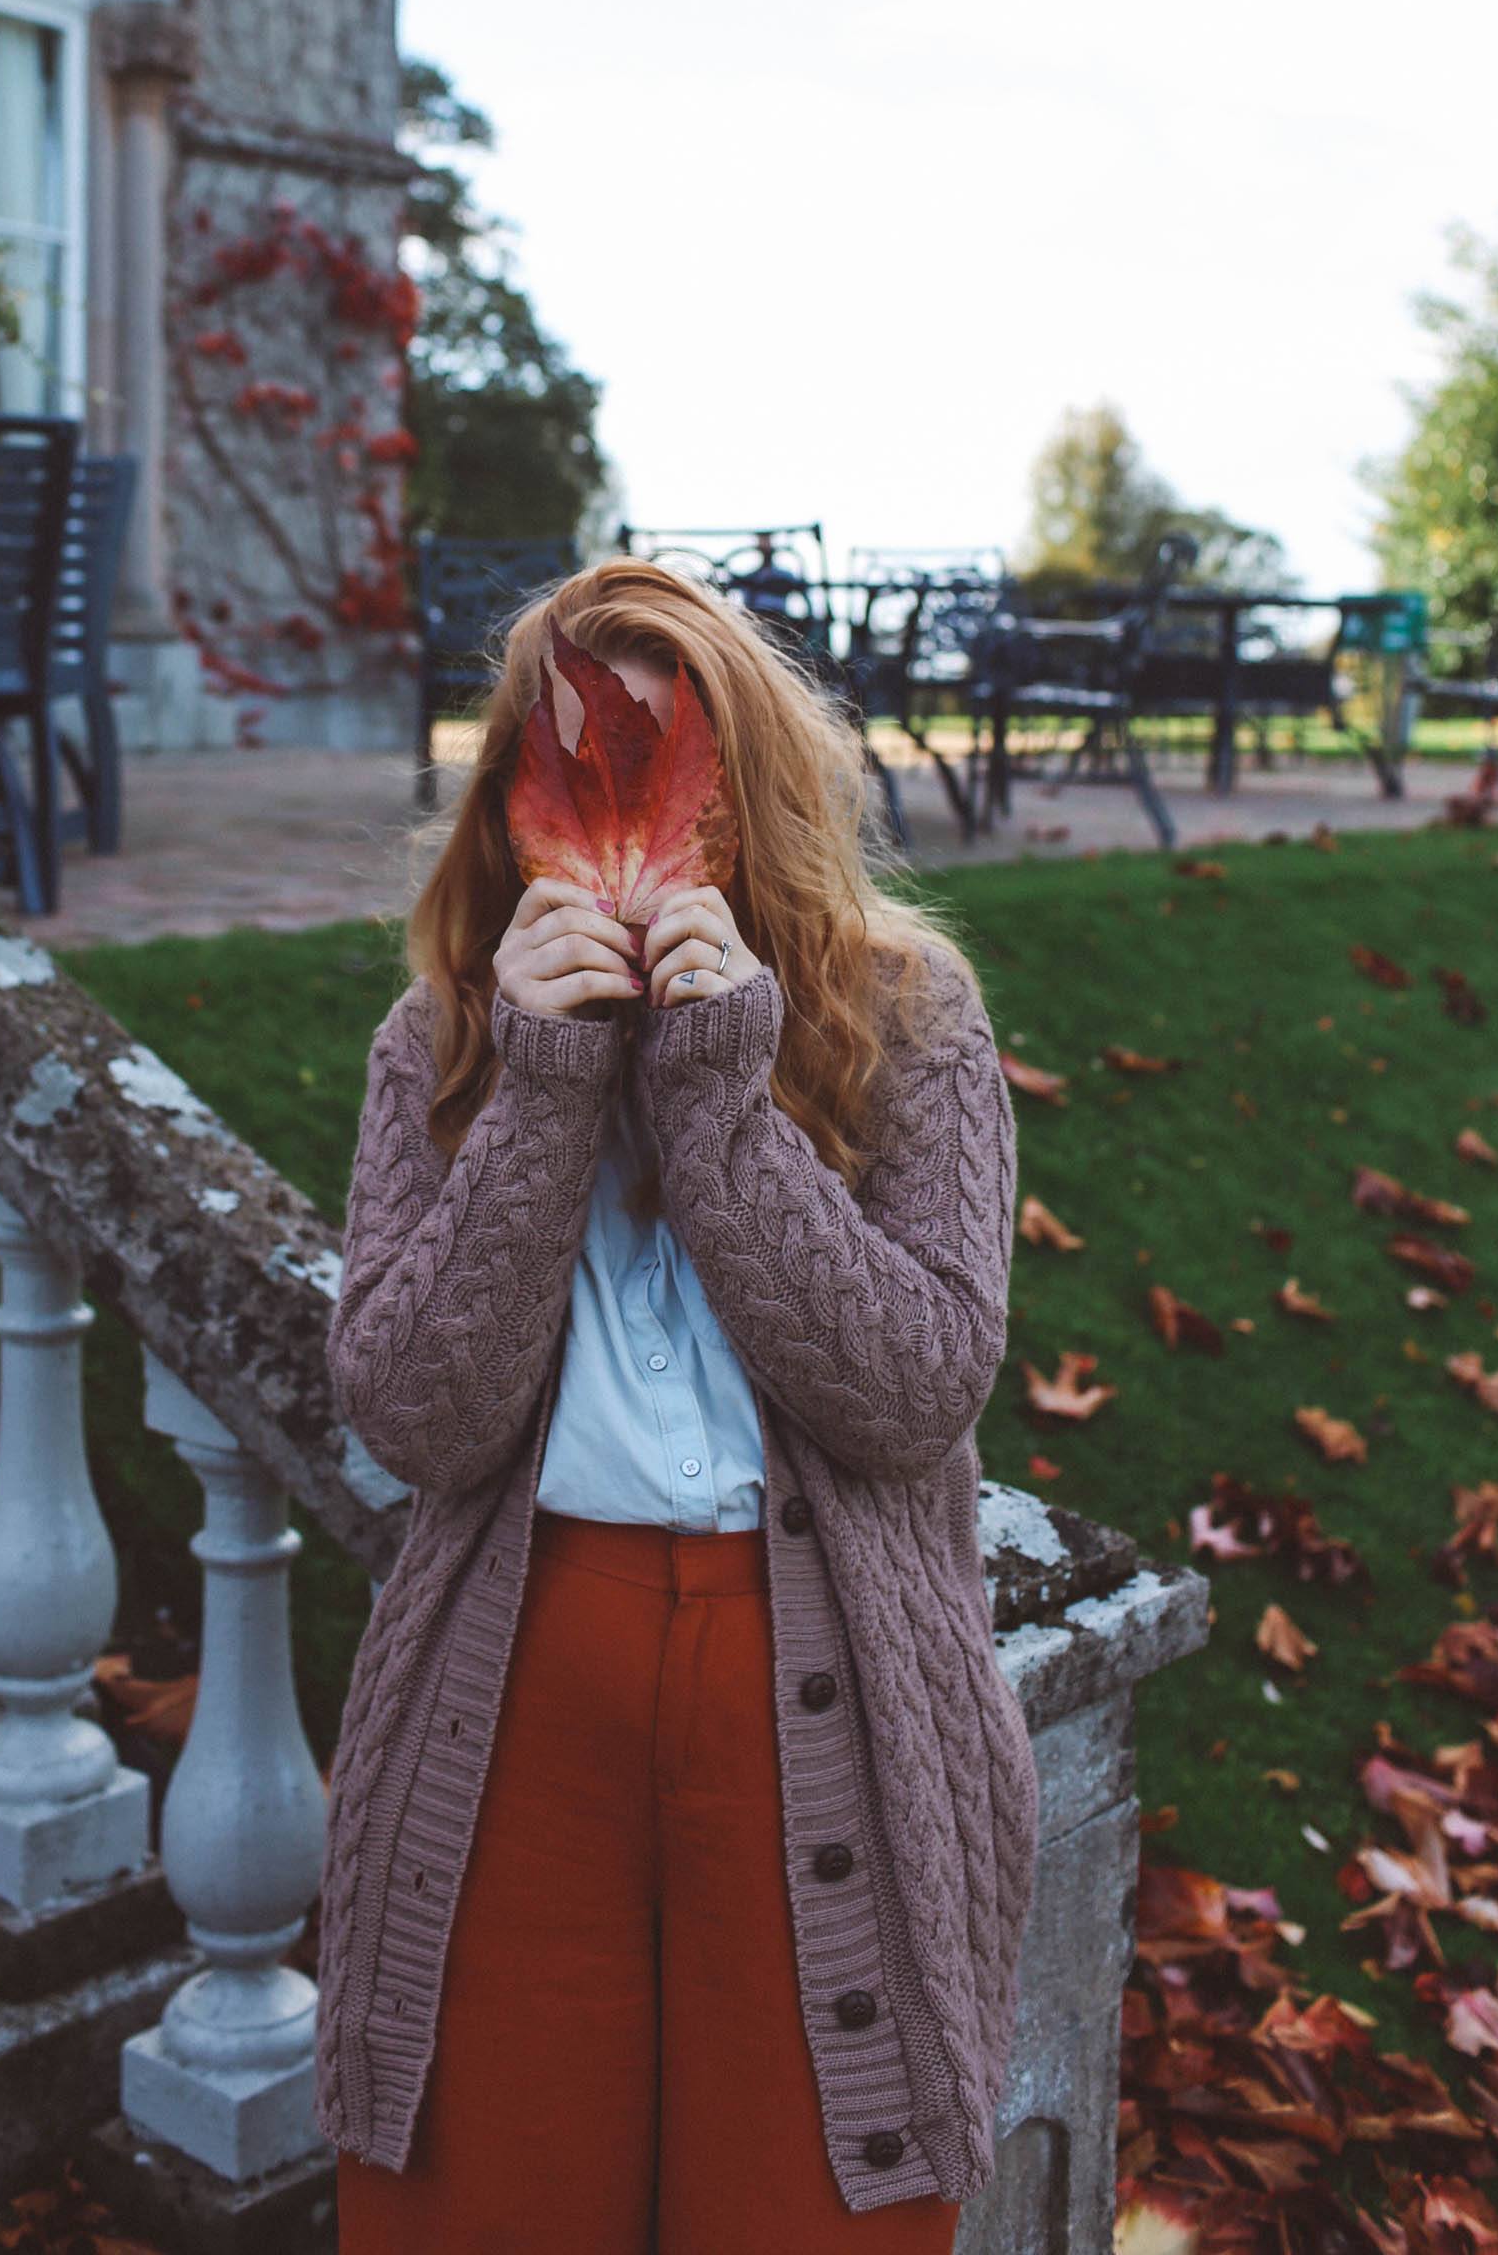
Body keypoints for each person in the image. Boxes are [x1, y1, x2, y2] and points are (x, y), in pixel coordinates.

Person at [318, 555, 1038, 2252]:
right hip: (515, 1713)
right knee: (481, 2204)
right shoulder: (441, 1037)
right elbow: (412, 1415)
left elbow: (917, 1387)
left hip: (827, 1719)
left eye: (671, 787)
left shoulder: (908, 1017)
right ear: (515, 805)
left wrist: (722, 1088)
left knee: (811, 2204)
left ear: (746, 803)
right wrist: (543, 1081)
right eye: (569, 780)